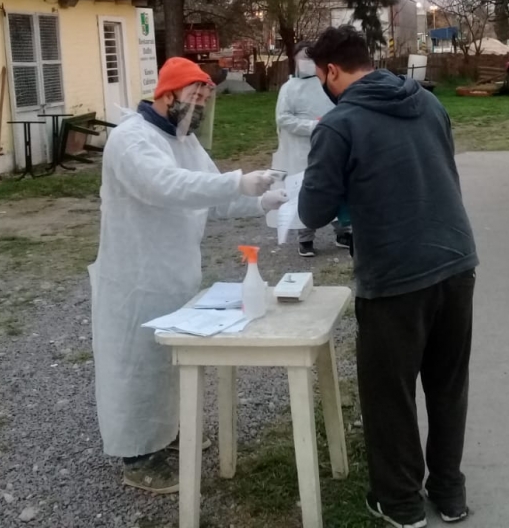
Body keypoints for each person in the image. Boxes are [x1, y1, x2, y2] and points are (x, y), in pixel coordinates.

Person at [298, 27, 478, 527]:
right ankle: (449, 493)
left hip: (396, 274)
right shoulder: (425, 100)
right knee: (447, 384)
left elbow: (311, 210)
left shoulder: (339, 124)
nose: (322, 86)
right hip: (457, 260)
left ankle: (399, 502)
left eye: (320, 77)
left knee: (389, 391)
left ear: (332, 71)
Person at [89, 56, 287, 494]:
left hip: (175, 270)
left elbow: (211, 192)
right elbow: (167, 187)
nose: (198, 110)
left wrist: (261, 201)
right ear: (166, 95)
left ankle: (164, 436)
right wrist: (238, 182)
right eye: (192, 99)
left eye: (203, 102)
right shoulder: (130, 140)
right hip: (134, 274)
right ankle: (137, 454)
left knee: (170, 361)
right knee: (137, 363)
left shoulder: (184, 141)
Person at [272, 41, 351, 258]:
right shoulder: (289, 89)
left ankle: (343, 232)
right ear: (295, 60)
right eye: (302, 57)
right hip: (301, 149)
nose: (307, 62)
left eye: (311, 58)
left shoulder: (327, 83)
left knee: (334, 186)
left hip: (329, 144)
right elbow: (283, 118)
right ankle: (305, 238)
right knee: (305, 191)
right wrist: (312, 126)